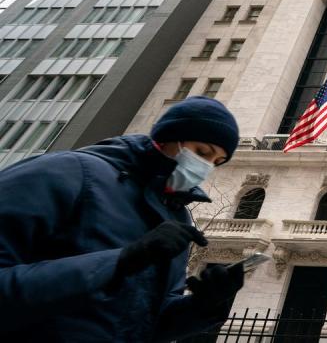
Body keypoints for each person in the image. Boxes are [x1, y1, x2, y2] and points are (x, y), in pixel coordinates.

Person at [0, 96, 244, 342]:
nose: (206, 167)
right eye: (202, 152)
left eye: (217, 162)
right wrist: (121, 261)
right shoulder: (67, 171)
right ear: (171, 137)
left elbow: (144, 323)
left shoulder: (176, 215)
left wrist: (204, 307)